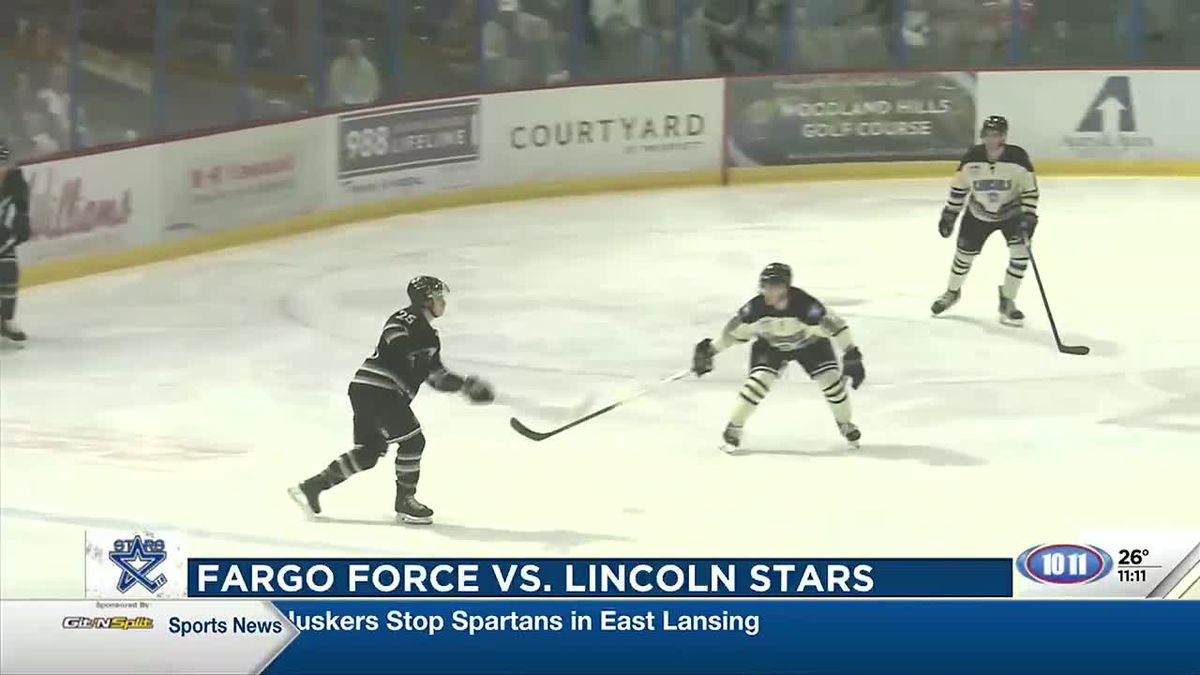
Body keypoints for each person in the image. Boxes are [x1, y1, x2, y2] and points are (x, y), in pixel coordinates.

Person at [288, 276, 495, 524]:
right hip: (379, 390)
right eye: (439, 298)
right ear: (425, 300)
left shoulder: (431, 337)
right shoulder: (405, 318)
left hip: (370, 390)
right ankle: (405, 502)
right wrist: (418, 355)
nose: (443, 303)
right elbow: (396, 340)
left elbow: (435, 376)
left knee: (368, 452)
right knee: (413, 441)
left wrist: (464, 385)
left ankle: (310, 487)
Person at [691, 263, 865, 452]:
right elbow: (732, 335)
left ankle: (845, 423)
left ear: (786, 288)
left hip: (811, 345)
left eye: (774, 286)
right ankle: (734, 427)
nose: (768, 291)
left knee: (831, 383)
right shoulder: (754, 310)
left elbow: (838, 328)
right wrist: (710, 350)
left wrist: (851, 354)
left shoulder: (807, 307)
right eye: (765, 286)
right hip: (770, 346)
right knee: (757, 384)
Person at [931, 115, 1040, 326]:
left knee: (1020, 254)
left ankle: (1008, 299)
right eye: (989, 134)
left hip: (1011, 214)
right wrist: (950, 214)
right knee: (963, 256)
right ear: (983, 135)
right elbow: (959, 187)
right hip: (977, 214)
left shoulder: (1018, 158)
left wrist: (1029, 215)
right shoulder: (972, 158)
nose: (992, 139)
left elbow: (1029, 189)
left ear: (1004, 137)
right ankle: (952, 292)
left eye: (997, 135)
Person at [0, 139, 32, 343]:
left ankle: (6, 320)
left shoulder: (15, 179)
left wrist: (22, 218)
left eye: (3, 165)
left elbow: (21, 202)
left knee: (9, 270)